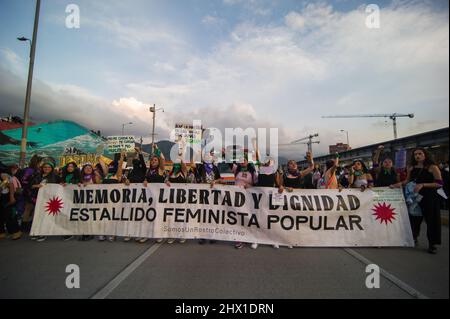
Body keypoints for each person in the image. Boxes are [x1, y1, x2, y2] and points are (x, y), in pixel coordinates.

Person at [405, 148, 443, 254]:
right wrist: (396, 185)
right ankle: (413, 238)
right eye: (415, 154)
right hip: (414, 197)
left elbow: (439, 183)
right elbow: (408, 180)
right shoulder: (410, 167)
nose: (417, 156)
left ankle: (432, 244)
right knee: (414, 219)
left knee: (432, 220)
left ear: (425, 155)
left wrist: (423, 184)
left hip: (429, 197)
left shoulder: (432, 167)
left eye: (420, 153)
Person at [30, 159, 61, 242]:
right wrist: (36, 186)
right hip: (37, 199)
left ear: (52, 168)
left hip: (49, 200)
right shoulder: (37, 176)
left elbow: (61, 186)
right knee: (36, 216)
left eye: (48, 167)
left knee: (45, 216)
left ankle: (43, 233)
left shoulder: (56, 177)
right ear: (42, 168)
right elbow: (31, 185)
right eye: (45, 167)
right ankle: (36, 231)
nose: (47, 168)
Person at [98, 152, 125, 242]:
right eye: (109, 167)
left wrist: (121, 157)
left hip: (114, 200)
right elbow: (102, 164)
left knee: (112, 216)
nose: (109, 168)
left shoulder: (118, 175)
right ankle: (103, 232)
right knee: (104, 216)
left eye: (111, 167)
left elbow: (120, 165)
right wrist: (99, 155)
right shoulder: (106, 175)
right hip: (105, 199)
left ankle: (113, 233)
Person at [233, 154, 258, 249]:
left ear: (247, 161)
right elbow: (228, 162)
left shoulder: (252, 172)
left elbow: (257, 185)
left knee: (248, 217)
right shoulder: (236, 169)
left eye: (244, 160)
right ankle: (240, 239)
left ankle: (249, 237)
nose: (242, 162)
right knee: (238, 216)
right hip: (237, 197)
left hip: (248, 197)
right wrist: (224, 153)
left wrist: (250, 187)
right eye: (241, 160)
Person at [165, 160, 188, 244]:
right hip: (172, 199)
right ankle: (172, 235)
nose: (177, 164)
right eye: (175, 163)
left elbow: (184, 165)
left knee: (181, 217)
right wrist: (166, 182)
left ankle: (182, 234)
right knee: (171, 217)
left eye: (178, 163)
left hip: (182, 199)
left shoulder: (184, 172)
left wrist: (180, 157)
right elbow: (165, 180)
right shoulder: (171, 173)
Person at [19, 155, 41, 234]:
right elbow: (23, 181)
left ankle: (29, 225)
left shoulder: (37, 170)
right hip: (30, 192)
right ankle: (24, 226)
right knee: (28, 208)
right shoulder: (29, 170)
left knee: (32, 209)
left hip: (35, 192)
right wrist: (34, 186)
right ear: (37, 162)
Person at [60, 160, 82, 241]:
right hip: (66, 198)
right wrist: (62, 184)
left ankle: (75, 230)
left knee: (74, 214)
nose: (70, 168)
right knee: (66, 214)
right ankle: (67, 231)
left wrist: (79, 184)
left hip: (75, 198)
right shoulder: (64, 176)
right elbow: (60, 184)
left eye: (72, 166)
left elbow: (81, 184)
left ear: (75, 168)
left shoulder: (78, 176)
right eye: (68, 166)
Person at [0, 171, 22, 240]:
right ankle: (1, 232)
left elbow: (10, 185)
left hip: (6, 198)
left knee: (9, 214)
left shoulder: (2, 174)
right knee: (1, 215)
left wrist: (12, 197)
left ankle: (16, 232)